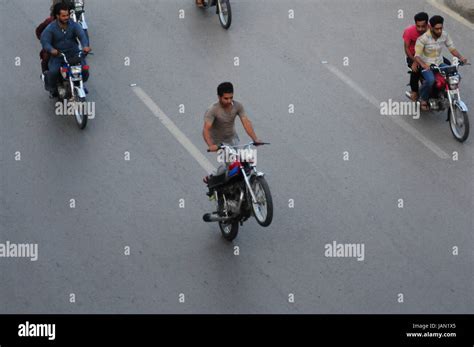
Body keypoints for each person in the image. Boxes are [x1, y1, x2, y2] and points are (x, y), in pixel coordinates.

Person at [202, 82, 262, 185]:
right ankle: (213, 177)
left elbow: (246, 122)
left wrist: (255, 139)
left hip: (233, 139)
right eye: (226, 98)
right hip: (219, 143)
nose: (229, 101)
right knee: (231, 165)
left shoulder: (238, 106)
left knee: (243, 163)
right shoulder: (213, 110)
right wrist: (211, 145)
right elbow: (205, 130)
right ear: (219, 97)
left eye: (231, 97)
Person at [414, 15, 468, 110]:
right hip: (427, 65)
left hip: (439, 63)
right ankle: (422, 97)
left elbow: (452, 48)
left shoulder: (444, 35)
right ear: (431, 27)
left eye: (441, 28)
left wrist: (461, 57)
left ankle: (445, 94)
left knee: (456, 76)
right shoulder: (423, 39)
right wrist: (423, 65)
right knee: (430, 80)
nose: (439, 31)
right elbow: (417, 56)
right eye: (437, 29)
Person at [40, 2, 90, 97]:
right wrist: (52, 50)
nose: (66, 17)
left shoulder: (74, 25)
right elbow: (44, 41)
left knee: (84, 69)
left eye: (67, 15)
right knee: (53, 72)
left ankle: (80, 84)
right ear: (57, 16)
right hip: (58, 55)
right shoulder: (51, 28)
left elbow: (82, 36)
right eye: (63, 16)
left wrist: (85, 46)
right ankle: (53, 89)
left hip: (74, 53)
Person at [402, 12, 429, 101]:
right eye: (418, 26)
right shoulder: (409, 32)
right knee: (416, 70)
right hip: (413, 56)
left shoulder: (431, 30)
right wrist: (415, 60)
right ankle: (414, 91)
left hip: (428, 55)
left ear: (427, 24)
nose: (420, 29)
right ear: (415, 24)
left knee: (447, 64)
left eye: (423, 26)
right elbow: (407, 49)